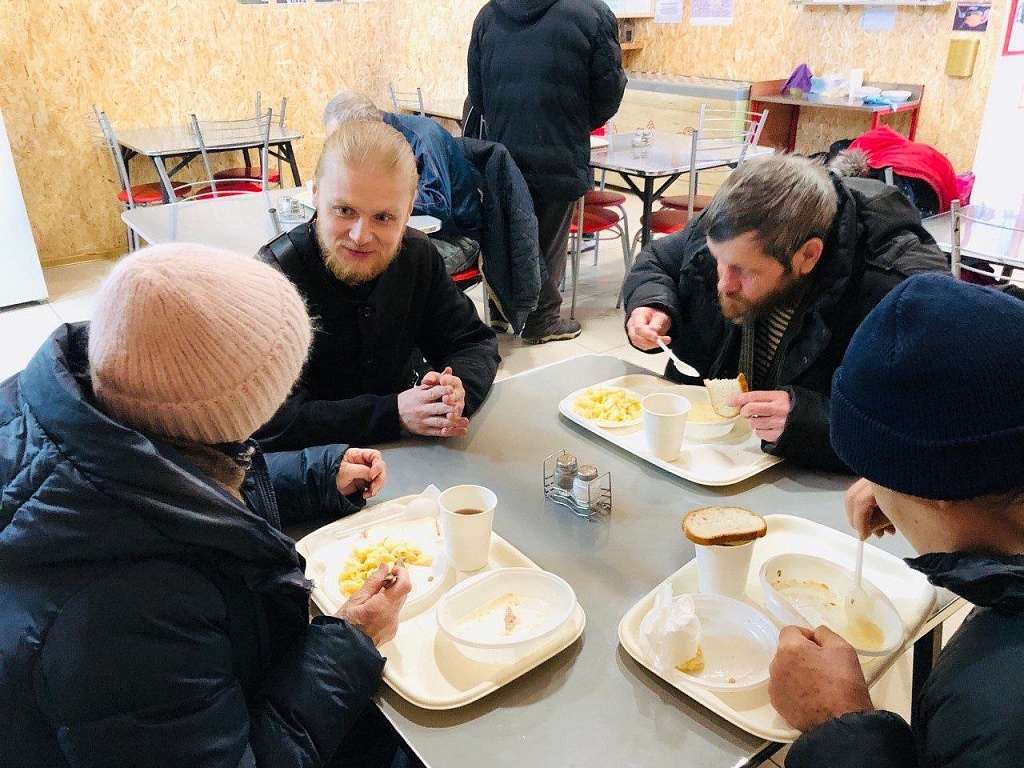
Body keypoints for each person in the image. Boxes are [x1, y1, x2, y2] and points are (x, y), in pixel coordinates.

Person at [0, 243, 413, 768]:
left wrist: (316, 474)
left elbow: (186, 488)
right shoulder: (130, 616)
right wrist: (349, 642)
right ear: (233, 413)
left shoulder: (89, 407)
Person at [768, 273, 1024, 767]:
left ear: (938, 493)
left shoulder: (996, 718)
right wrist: (902, 484)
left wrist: (839, 724)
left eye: (875, 473)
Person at [623, 153, 948, 471]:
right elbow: (659, 261)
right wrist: (651, 302)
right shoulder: (734, 223)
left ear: (808, 255)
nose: (723, 283)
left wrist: (810, 421)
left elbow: (923, 425)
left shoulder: (900, 289)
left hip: (809, 477)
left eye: (743, 270)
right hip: (703, 454)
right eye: (717, 260)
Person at [256, 119, 500, 451]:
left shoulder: (418, 257)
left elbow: (472, 341)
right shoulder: (274, 278)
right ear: (315, 194)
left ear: (409, 210)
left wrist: (454, 392)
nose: (361, 236)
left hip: (414, 456)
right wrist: (393, 414)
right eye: (344, 210)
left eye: (383, 217)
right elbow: (267, 420)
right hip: (313, 468)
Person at [468, 0, 626, 344]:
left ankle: (502, 310)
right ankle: (542, 320)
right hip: (560, 144)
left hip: (503, 146)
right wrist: (575, 121)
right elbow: (609, 91)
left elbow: (477, 94)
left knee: (507, 229)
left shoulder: (489, 15)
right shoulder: (592, 13)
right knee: (549, 238)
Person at [323, 90, 483, 275]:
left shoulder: (424, 137)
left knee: (375, 266)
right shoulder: (377, 145)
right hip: (409, 232)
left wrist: (383, 199)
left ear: (365, 131)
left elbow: (438, 203)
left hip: (455, 239)